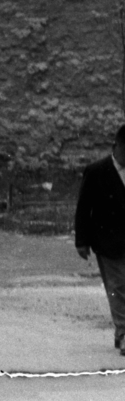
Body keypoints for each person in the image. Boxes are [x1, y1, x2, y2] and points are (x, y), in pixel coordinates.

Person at [74, 124, 125, 354]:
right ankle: (124, 332)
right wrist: (81, 240)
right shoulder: (96, 171)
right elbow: (84, 208)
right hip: (108, 241)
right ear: (116, 146)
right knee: (118, 287)